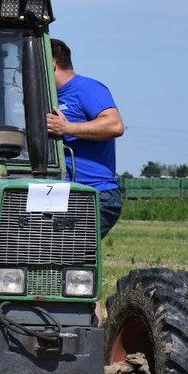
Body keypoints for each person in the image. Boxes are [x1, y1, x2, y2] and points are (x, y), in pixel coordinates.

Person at [46, 38, 125, 238]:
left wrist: (67, 127)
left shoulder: (87, 89)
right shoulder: (51, 98)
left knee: (67, 251)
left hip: (95, 194)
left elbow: (115, 125)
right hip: (62, 194)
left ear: (52, 63)